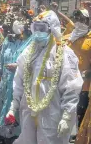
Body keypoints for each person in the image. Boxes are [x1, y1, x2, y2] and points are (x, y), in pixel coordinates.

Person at [6, 10, 83, 144]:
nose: (38, 32)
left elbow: (71, 87)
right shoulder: (28, 52)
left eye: (42, 28)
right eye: (36, 28)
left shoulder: (63, 53)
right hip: (28, 111)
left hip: (53, 114)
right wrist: (14, 107)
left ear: (52, 29)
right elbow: (19, 81)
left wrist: (67, 116)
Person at [0, 19, 33, 144]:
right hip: (5, 84)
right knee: (4, 113)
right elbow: (0, 60)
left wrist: (19, 67)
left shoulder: (32, 42)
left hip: (20, 84)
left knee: (18, 116)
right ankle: (5, 137)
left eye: (21, 20)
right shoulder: (8, 40)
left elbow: (35, 64)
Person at [62, 9, 91, 143]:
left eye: (82, 19)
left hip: (85, 85)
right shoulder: (69, 36)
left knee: (80, 113)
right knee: (65, 112)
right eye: (77, 19)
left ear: (87, 21)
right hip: (66, 84)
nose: (80, 22)